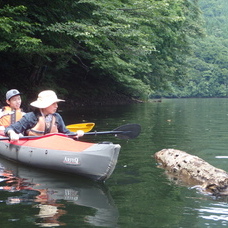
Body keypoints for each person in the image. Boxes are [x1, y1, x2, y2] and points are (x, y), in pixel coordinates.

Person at [5, 90, 84, 141]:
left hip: (52, 146)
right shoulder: (31, 117)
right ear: (45, 105)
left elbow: (66, 133)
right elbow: (10, 128)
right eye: (53, 103)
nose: (56, 106)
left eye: (56, 103)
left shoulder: (57, 117)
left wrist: (75, 134)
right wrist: (11, 133)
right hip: (33, 148)